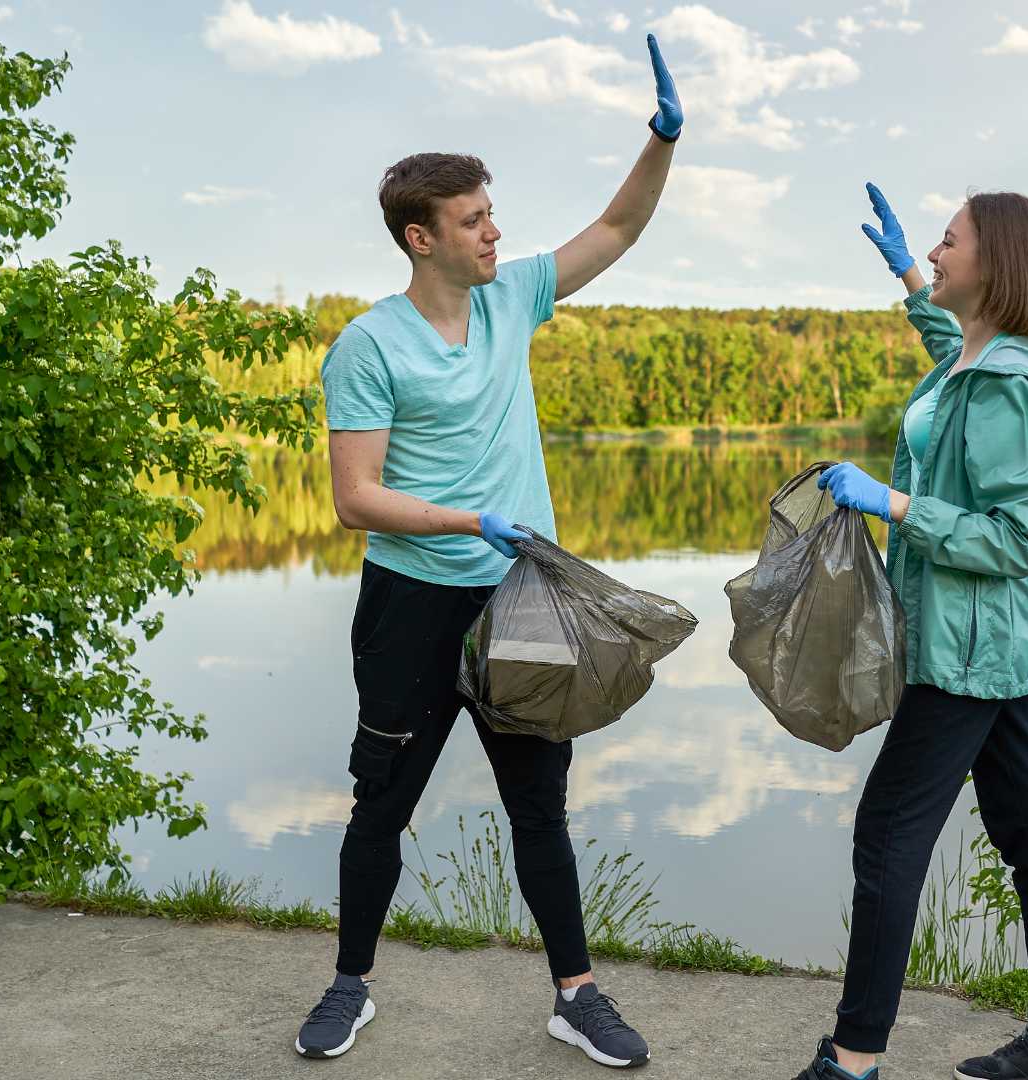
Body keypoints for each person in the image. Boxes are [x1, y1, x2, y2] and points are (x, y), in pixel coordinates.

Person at [292, 34, 683, 1069]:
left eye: (491, 214)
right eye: (473, 221)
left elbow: (618, 227)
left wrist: (661, 139)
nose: (494, 232)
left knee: (538, 810)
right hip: (413, 612)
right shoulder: (369, 345)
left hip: (520, 608)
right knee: (381, 806)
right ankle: (350, 985)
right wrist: (472, 522)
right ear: (421, 239)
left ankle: (577, 995)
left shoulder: (516, 299)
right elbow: (354, 499)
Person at [792, 183, 1028, 1080]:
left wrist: (890, 502)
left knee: (888, 836)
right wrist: (901, 273)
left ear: (996, 263)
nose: (933, 248)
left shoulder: (1007, 382)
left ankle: (851, 1062)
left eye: (946, 240)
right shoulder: (976, 356)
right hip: (984, 643)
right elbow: (947, 356)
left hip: (964, 652)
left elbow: (1012, 540)